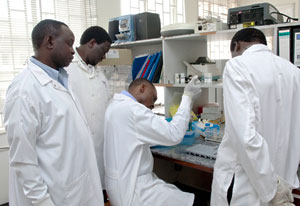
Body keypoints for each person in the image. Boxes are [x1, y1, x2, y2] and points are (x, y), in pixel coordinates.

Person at [4, 19, 104, 206]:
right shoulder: (24, 89)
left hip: (73, 187)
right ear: (49, 42)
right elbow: (23, 161)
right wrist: (43, 202)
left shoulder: (60, 80)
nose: (73, 51)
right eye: (69, 43)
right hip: (52, 197)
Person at [211, 28, 300, 206]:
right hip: (283, 185)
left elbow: (245, 136)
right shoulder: (294, 72)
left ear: (236, 46)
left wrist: (271, 189)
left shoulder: (237, 66)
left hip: (245, 188)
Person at [104, 77, 202, 206]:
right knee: (197, 202)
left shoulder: (115, 105)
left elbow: (132, 137)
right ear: (142, 88)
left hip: (120, 186)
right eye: (154, 98)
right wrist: (187, 96)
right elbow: (174, 134)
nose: (152, 105)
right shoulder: (133, 110)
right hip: (136, 190)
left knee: (176, 192)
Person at [66, 26, 112, 197]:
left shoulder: (99, 73)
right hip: (75, 151)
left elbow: (107, 105)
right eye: (104, 50)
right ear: (92, 43)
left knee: (97, 193)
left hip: (99, 149)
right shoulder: (66, 69)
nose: (105, 56)